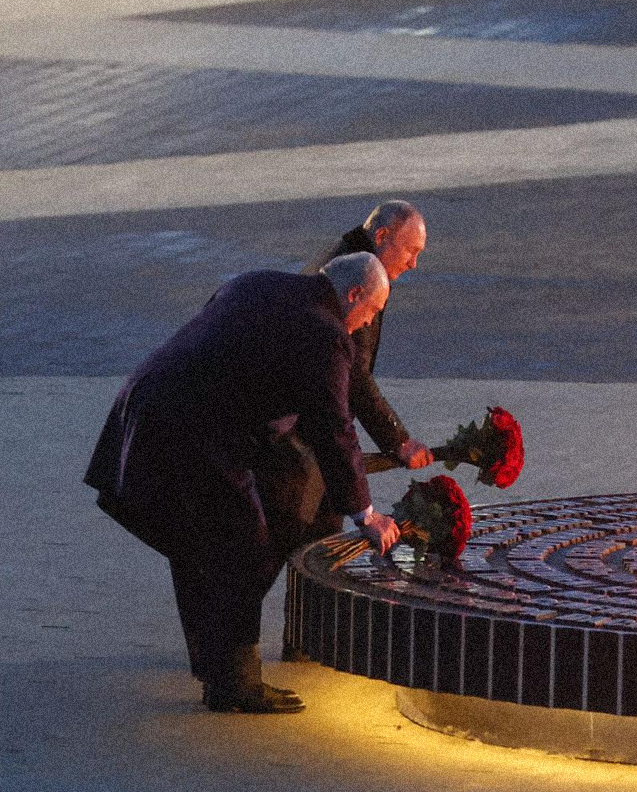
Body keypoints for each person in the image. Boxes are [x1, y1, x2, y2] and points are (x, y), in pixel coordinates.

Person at [85, 253, 402, 714]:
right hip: (194, 436)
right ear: (353, 295)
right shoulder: (327, 333)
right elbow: (334, 427)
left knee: (200, 546)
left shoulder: (258, 282)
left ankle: (220, 671)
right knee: (244, 547)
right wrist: (365, 513)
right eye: (372, 311)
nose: (367, 323)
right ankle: (235, 684)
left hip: (145, 407)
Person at [257, 202, 432, 574]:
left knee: (311, 549)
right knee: (302, 547)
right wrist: (397, 440)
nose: (414, 264)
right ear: (382, 237)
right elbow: (351, 376)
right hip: (299, 447)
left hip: (302, 436)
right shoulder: (357, 278)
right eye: (411, 251)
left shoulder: (348, 264)